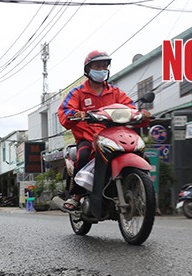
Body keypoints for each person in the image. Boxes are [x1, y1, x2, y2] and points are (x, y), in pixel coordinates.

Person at [57, 50, 151, 211]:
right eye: (97, 66)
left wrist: (142, 115)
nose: (101, 70)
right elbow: (65, 111)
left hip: (114, 135)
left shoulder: (115, 92)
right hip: (89, 138)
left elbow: (131, 108)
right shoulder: (77, 93)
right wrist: (75, 114)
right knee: (84, 155)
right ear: (88, 70)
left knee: (141, 153)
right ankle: (76, 196)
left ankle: (144, 193)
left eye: (104, 66)